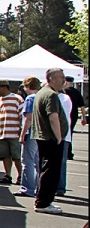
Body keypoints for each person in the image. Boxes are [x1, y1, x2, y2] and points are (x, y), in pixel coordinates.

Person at [35, 68, 69, 214]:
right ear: (52, 79)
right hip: (50, 138)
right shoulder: (51, 95)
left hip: (43, 136)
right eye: (61, 77)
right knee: (51, 171)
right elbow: (53, 117)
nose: (64, 80)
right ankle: (43, 202)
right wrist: (59, 137)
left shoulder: (41, 92)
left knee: (46, 169)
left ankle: (43, 200)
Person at [0, 80, 24, 184]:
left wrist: (21, 131)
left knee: (16, 156)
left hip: (14, 133)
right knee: (5, 156)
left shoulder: (17, 99)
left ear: (5, 87)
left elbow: (22, 116)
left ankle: (20, 176)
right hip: (1, 133)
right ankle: (8, 175)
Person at [20, 76, 43, 196]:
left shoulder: (30, 99)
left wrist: (23, 133)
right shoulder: (41, 97)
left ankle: (27, 188)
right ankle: (39, 187)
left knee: (27, 161)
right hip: (41, 132)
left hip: (31, 132)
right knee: (37, 161)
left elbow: (29, 118)